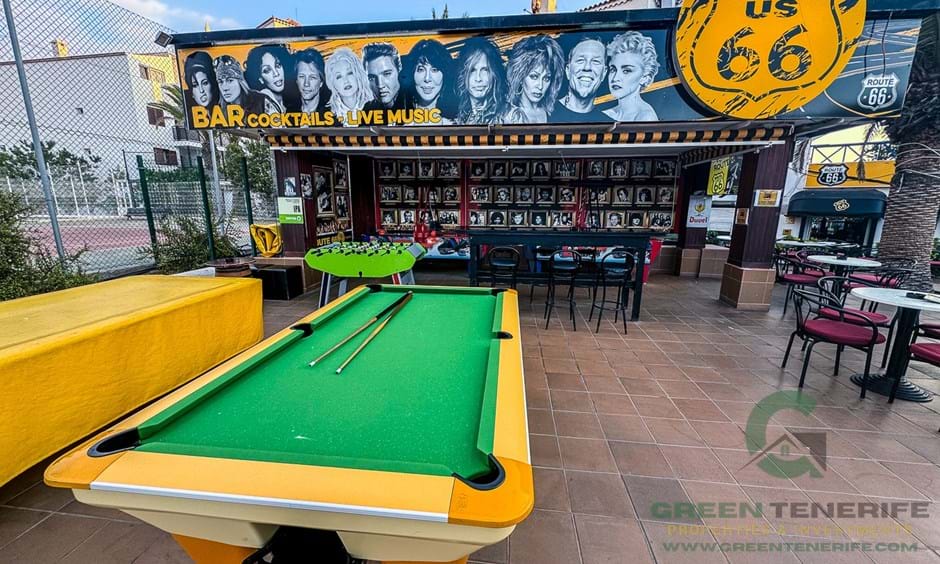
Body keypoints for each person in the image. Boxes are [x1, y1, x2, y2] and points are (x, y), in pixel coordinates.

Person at [503, 34, 565, 124]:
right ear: (520, 77)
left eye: (546, 78)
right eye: (534, 76)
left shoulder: (554, 112)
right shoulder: (508, 116)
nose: (540, 86)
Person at [603, 32, 660, 122]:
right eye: (613, 69)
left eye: (626, 71)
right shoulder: (607, 114)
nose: (615, 78)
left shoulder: (646, 118)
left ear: (645, 77)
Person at [551, 36, 607, 123]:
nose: (587, 67)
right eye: (580, 60)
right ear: (568, 70)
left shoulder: (609, 124)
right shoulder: (543, 115)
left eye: (595, 61)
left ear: (604, 73)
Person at [403, 39, 457, 124]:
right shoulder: (398, 122)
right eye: (421, 69)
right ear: (412, 74)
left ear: (445, 74)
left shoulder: (457, 123)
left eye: (434, 70)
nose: (427, 78)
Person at [456, 37, 507, 125]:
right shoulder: (462, 117)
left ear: (494, 74)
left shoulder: (510, 115)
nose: (478, 78)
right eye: (472, 70)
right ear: (463, 75)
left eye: (485, 70)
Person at [325, 48, 374, 125]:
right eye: (339, 77)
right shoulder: (326, 115)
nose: (346, 81)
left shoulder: (376, 106)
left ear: (358, 74)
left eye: (350, 73)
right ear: (332, 84)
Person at [245, 44, 294, 114]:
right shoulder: (262, 103)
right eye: (267, 70)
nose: (276, 73)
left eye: (277, 65)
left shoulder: (286, 100)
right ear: (260, 79)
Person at [362, 42, 409, 112]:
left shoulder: (415, 104)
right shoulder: (368, 109)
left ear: (399, 70)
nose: (380, 85)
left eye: (386, 74)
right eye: (372, 78)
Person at [292, 48, 329, 113]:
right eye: (302, 76)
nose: (306, 84)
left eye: (312, 77)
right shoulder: (288, 113)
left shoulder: (332, 114)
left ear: (321, 82)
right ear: (296, 80)